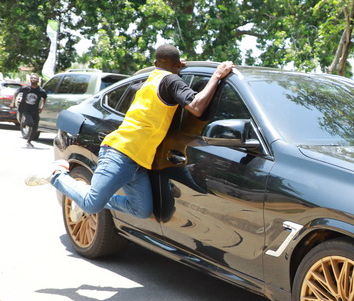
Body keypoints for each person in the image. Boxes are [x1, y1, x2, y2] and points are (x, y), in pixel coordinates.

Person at [25, 45, 234, 221]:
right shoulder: (170, 80)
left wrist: (176, 66)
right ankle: (57, 175)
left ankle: (87, 195)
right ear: (176, 65)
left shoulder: (152, 79)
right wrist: (216, 75)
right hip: (120, 153)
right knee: (91, 205)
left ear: (155, 63)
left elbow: (168, 76)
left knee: (141, 210)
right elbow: (196, 107)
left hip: (137, 161)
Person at [13, 74, 47, 148]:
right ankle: (24, 122)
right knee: (30, 123)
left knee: (35, 127)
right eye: (32, 78)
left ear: (38, 80)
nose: (33, 79)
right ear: (30, 80)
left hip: (35, 110)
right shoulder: (25, 88)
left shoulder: (40, 91)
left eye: (35, 78)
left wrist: (41, 107)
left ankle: (29, 141)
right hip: (24, 109)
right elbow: (16, 93)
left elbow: (44, 98)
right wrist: (13, 103)